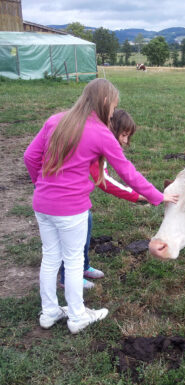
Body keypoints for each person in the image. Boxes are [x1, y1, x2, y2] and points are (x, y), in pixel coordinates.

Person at [24, 78, 178, 334]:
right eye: (114, 105)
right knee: (73, 261)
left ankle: (49, 311)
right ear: (105, 102)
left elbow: (30, 156)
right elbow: (128, 173)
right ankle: (77, 316)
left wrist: (40, 184)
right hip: (71, 209)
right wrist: (157, 196)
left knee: (50, 257)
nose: (113, 111)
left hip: (42, 204)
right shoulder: (100, 132)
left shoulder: (55, 120)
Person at [58, 109, 145, 290]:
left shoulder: (97, 139)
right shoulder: (97, 142)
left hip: (74, 194)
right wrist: (137, 196)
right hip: (63, 195)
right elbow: (103, 180)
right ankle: (68, 278)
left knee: (86, 224)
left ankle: (82, 267)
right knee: (71, 237)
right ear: (112, 129)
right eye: (123, 135)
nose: (125, 141)